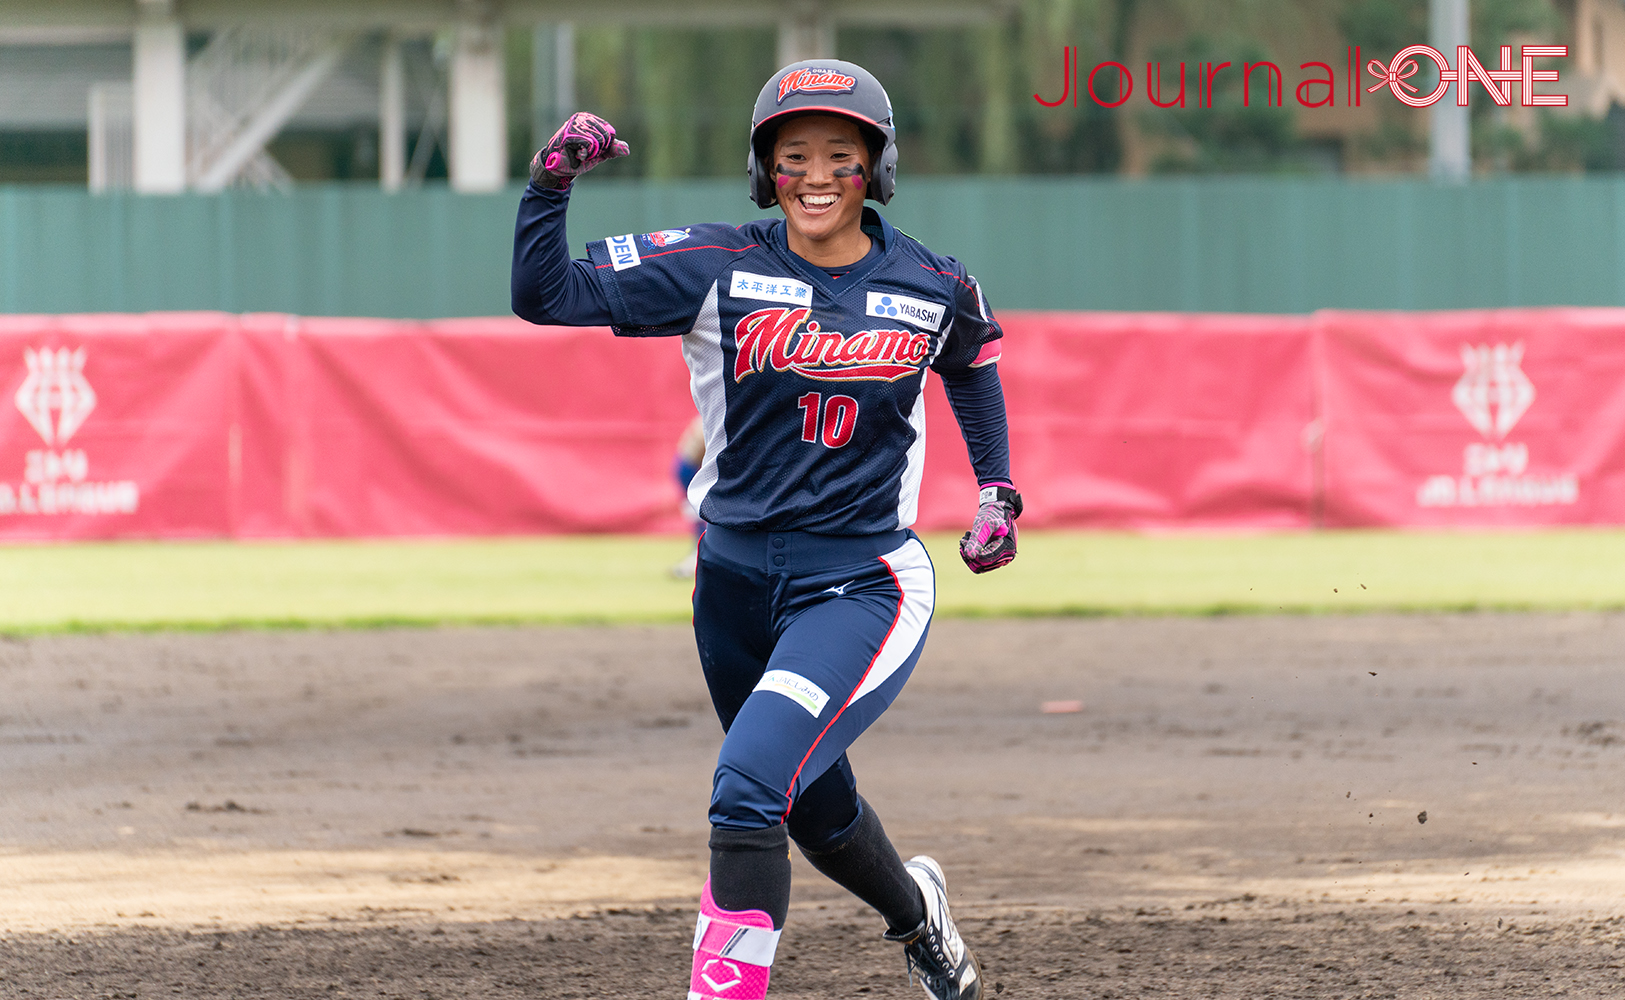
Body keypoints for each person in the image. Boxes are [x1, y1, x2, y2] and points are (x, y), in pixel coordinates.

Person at [512, 59, 1020, 1000]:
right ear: (764, 171)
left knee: (745, 787)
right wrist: (550, 186)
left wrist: (997, 487)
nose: (817, 174)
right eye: (794, 156)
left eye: (841, 154)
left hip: (862, 581)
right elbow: (546, 295)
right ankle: (922, 921)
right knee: (808, 803)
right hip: (734, 583)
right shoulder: (718, 266)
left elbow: (971, 359)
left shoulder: (930, 280)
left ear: (877, 167)